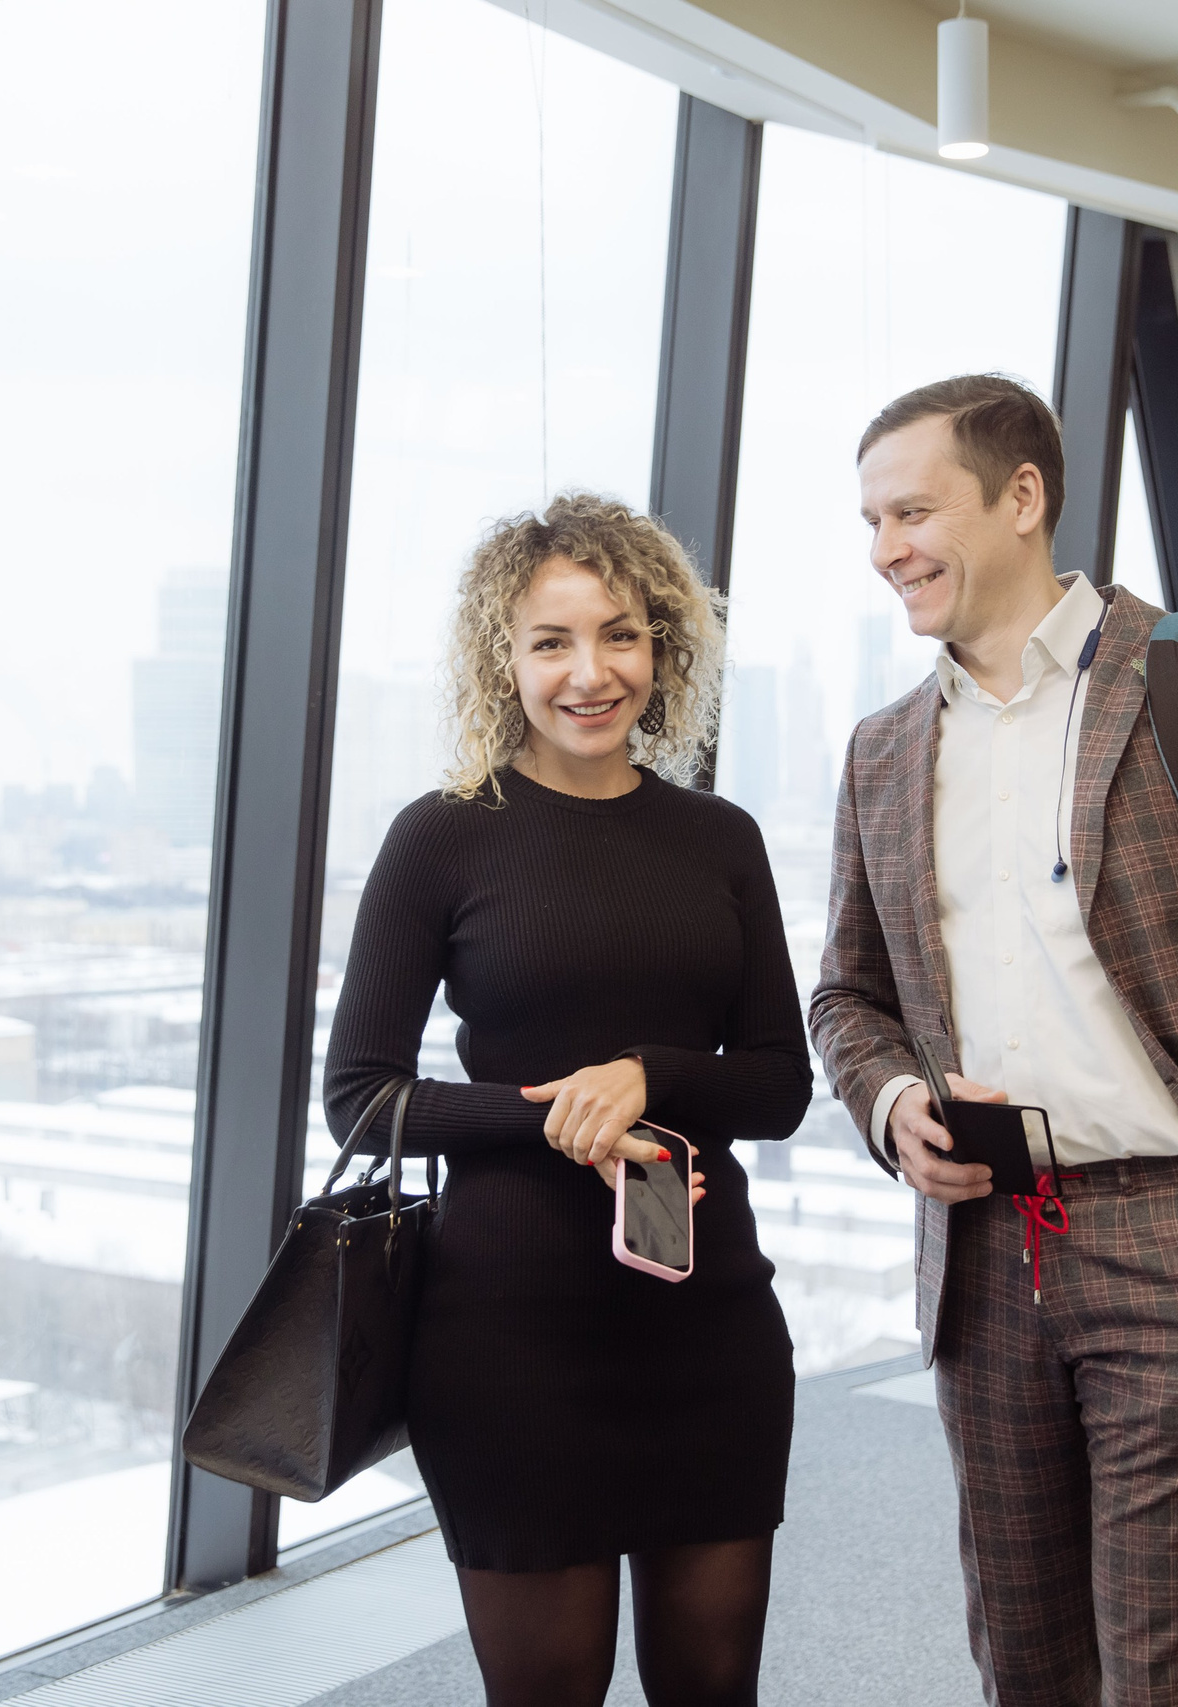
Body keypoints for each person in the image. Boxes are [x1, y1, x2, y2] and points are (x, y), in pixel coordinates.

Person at [810, 374, 1178, 1707]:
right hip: (982, 1255)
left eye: (913, 511)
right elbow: (846, 997)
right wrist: (893, 1101)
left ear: (1022, 497)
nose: (886, 549)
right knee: (1022, 1657)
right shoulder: (883, 750)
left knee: (1165, 1663)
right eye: (871, 522)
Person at [322, 494, 811, 1707]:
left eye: (620, 635)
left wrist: (649, 1074)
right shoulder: (441, 837)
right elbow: (360, 1098)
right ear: (505, 660)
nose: (591, 673)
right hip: (508, 1340)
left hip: (707, 1322)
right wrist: (553, 1116)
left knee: (715, 1691)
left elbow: (779, 1084)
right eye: (552, 642)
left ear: (662, 647)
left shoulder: (721, 838)